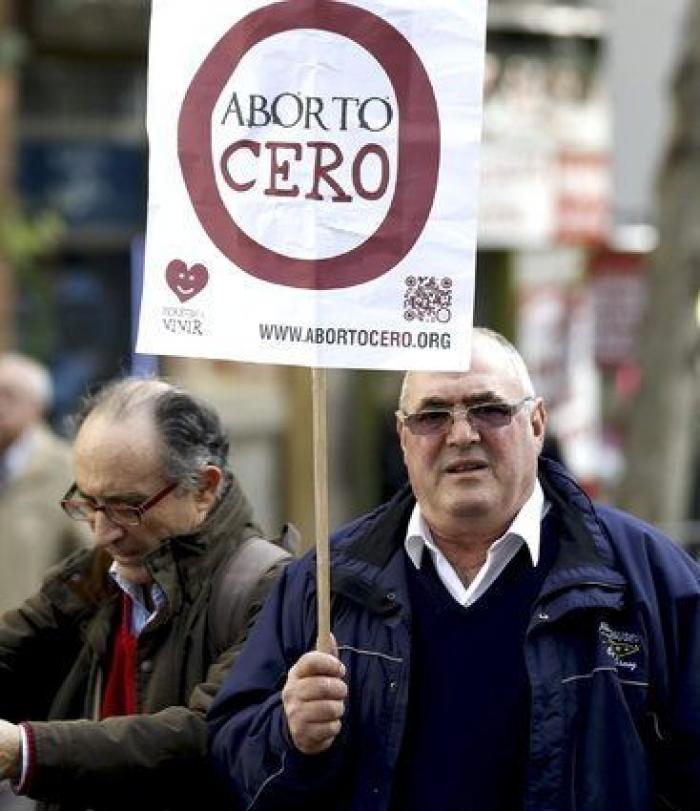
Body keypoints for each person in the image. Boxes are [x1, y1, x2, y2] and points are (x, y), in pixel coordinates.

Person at [208, 327, 700, 811]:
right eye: (433, 415)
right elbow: (235, 757)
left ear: (536, 423)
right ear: (403, 437)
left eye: (489, 409)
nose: (462, 435)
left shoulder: (645, 578)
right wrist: (290, 736)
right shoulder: (325, 584)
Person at [0, 377, 293, 810]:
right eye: (89, 503)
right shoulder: (95, 577)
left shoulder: (270, 589)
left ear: (204, 488)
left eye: (126, 506)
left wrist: (26, 749)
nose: (103, 532)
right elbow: (15, 647)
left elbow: (205, 735)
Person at [0, 353, 90, 614]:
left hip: (35, 640)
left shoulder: (69, 469)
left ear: (37, 405)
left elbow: (92, 558)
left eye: (9, 395)